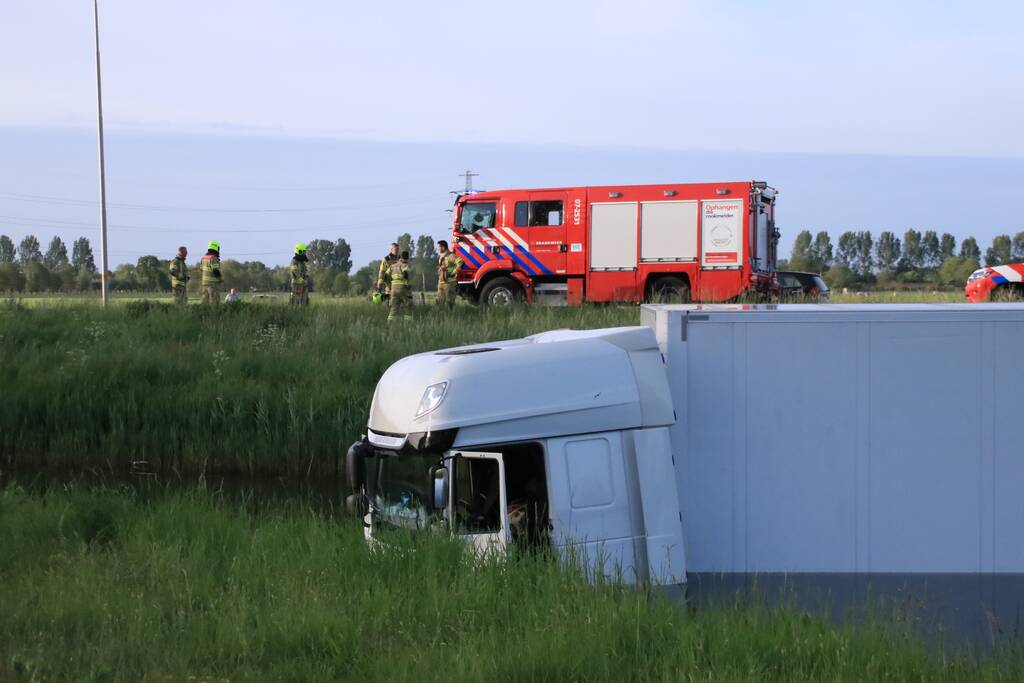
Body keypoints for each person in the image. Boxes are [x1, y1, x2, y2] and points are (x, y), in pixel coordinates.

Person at [435, 240, 463, 308]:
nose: (437, 249)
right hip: (441, 282)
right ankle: (441, 314)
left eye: (439, 247)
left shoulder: (451, 256)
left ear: (443, 247)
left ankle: (451, 314)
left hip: (449, 283)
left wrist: (453, 272)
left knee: (450, 303)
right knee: (439, 301)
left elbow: (460, 262)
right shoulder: (442, 256)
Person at [387, 250, 412, 323]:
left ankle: (389, 323)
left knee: (394, 308)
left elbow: (386, 276)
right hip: (402, 288)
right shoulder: (404, 265)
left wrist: (389, 286)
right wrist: (407, 284)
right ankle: (408, 323)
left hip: (393, 289)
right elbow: (405, 274)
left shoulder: (392, 266)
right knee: (408, 306)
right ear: (407, 258)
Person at [200, 240, 222, 305]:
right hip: (212, 285)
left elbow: (201, 269)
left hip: (204, 284)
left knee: (205, 304)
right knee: (215, 303)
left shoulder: (203, 258)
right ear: (216, 247)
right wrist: (220, 278)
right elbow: (215, 270)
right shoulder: (213, 258)